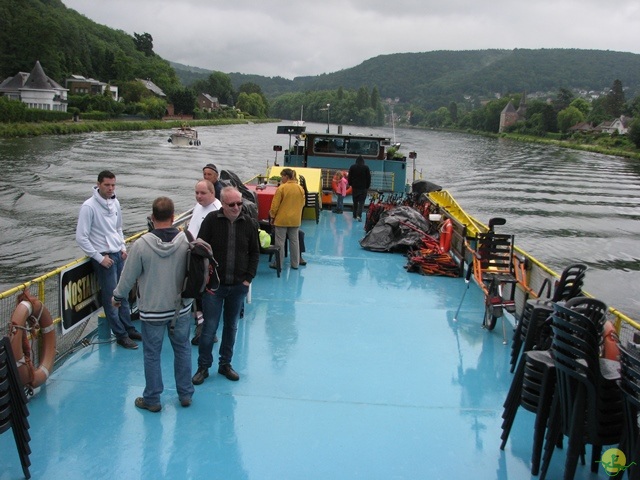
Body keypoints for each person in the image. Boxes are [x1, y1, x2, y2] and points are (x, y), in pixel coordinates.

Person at [112, 197, 195, 412]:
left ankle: (153, 399)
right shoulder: (185, 240)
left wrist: (117, 297)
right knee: (183, 349)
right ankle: (185, 394)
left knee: (152, 354)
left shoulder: (140, 245)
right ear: (173, 217)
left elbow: (127, 277)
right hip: (180, 309)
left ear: (152, 217)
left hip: (152, 311)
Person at [192, 186, 260, 384]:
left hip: (238, 286)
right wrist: (205, 279)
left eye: (239, 203)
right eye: (232, 204)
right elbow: (200, 249)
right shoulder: (212, 221)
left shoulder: (248, 223)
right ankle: (203, 367)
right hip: (214, 287)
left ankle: (225, 364)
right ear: (223, 204)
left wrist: (248, 279)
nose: (237, 207)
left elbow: (255, 253)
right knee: (209, 328)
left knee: (231, 327)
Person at [76, 170, 141, 349]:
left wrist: (122, 247)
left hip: (118, 254)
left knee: (124, 293)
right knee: (111, 297)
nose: (111, 188)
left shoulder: (115, 202)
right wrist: (98, 257)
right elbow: (81, 237)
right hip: (104, 258)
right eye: (107, 185)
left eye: (113, 185)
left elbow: (118, 228)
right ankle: (120, 335)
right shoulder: (88, 207)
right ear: (98, 184)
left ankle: (128, 328)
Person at [187, 180, 221, 345]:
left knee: (205, 292)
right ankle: (199, 319)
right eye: (196, 193)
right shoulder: (198, 206)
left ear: (212, 193)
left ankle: (207, 329)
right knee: (195, 291)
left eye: (202, 193)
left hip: (206, 258)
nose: (198, 196)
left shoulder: (216, 211)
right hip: (193, 254)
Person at [269, 168, 305, 270]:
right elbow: (303, 203)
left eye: (282, 176)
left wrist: (272, 216)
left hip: (282, 220)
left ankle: (278, 263)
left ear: (286, 176)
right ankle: (295, 264)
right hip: (295, 220)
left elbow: (275, 205)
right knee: (294, 241)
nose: (281, 178)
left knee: (280, 241)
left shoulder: (282, 188)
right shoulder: (300, 188)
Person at [348, 155, 371, 222]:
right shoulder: (366, 168)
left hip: (355, 187)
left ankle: (354, 215)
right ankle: (359, 215)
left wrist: (350, 184)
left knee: (355, 202)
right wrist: (367, 186)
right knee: (361, 202)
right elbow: (368, 178)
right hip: (363, 188)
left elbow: (350, 177)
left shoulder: (352, 167)